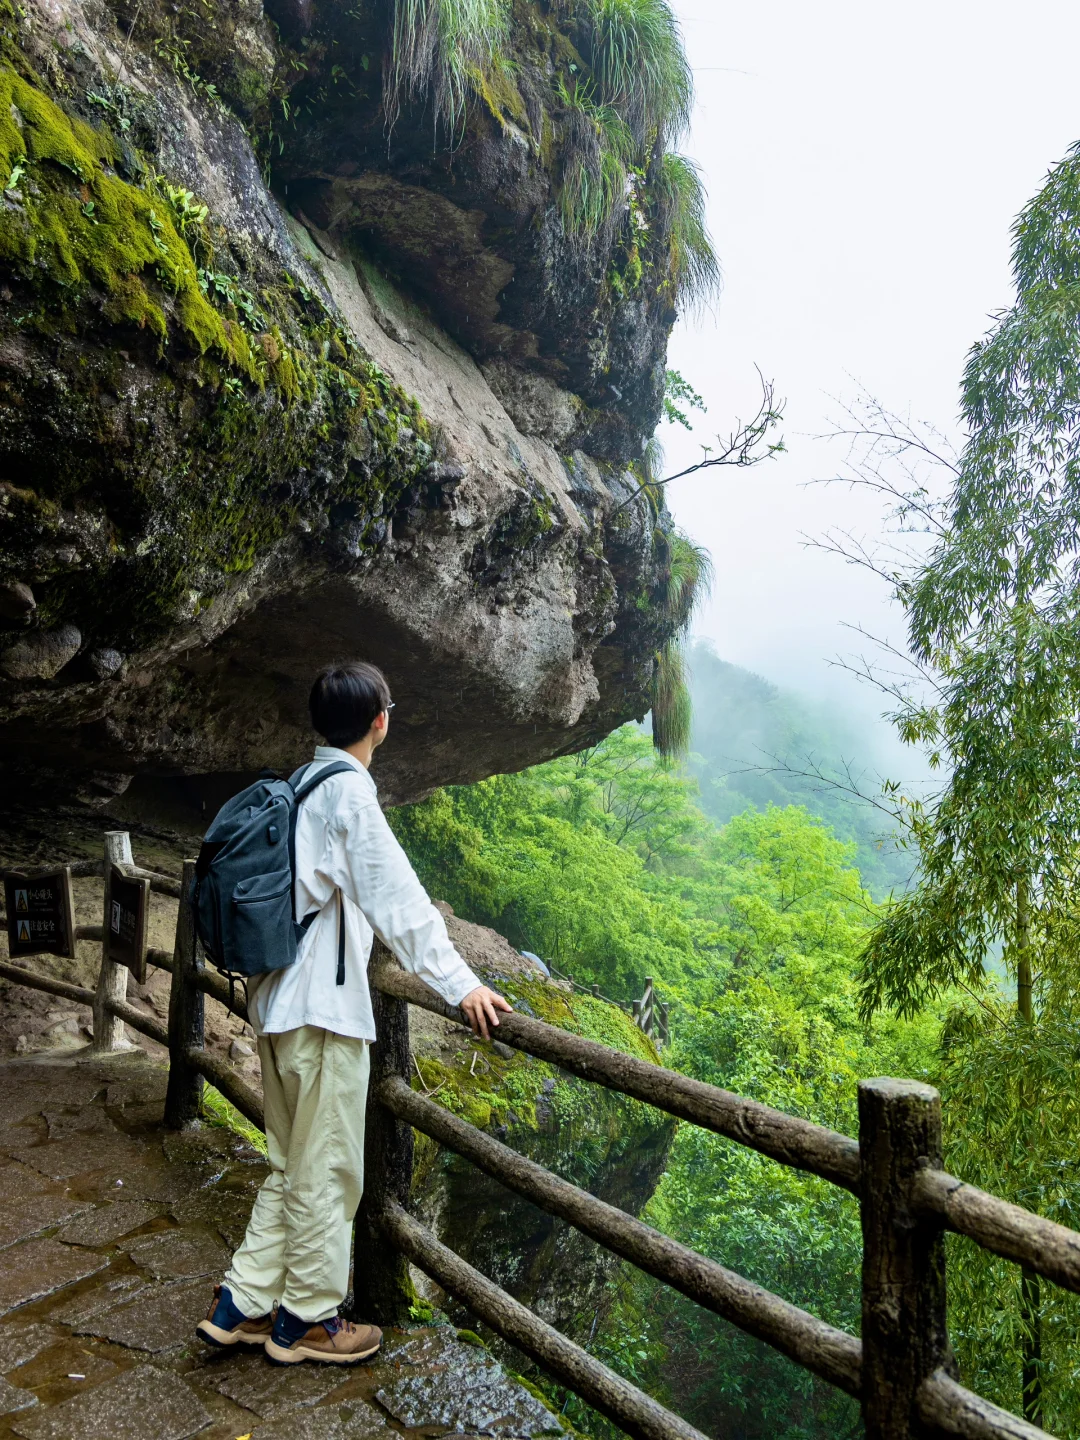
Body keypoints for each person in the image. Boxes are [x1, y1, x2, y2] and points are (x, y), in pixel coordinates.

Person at [197, 661, 512, 1366]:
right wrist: (461, 985)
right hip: (323, 1016)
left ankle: (241, 1305)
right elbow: (397, 900)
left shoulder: (299, 785)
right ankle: (308, 1321)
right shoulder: (348, 797)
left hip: (275, 1005)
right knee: (332, 1167)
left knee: (290, 1161)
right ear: (380, 722)